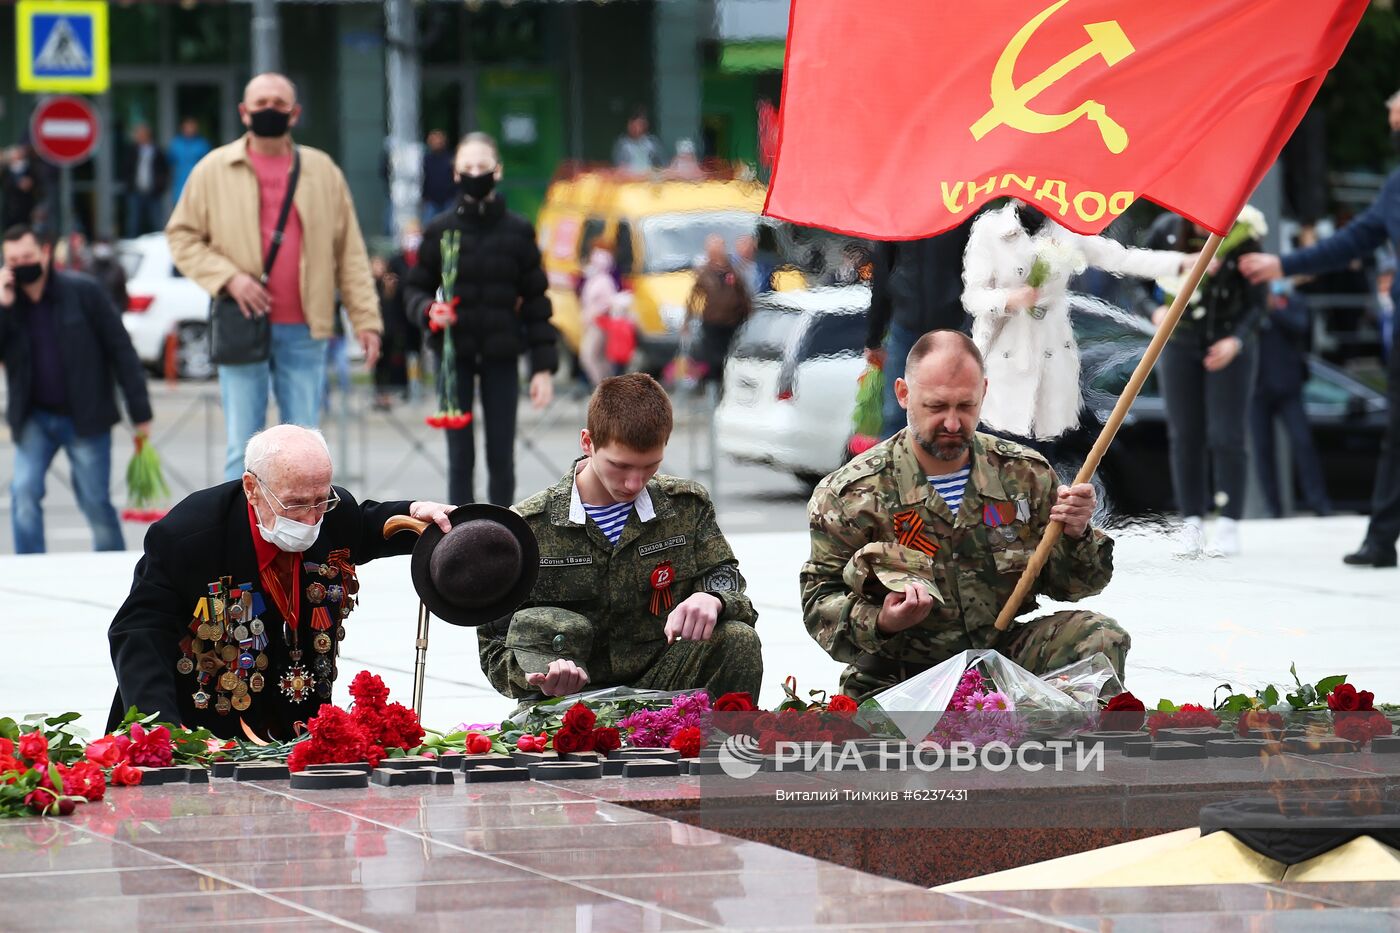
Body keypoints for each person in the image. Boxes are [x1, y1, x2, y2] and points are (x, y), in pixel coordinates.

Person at [801, 330, 1125, 700]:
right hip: (900, 679)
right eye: (937, 407)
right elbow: (819, 606)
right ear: (904, 394)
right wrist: (883, 620)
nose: (953, 423)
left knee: (1099, 635)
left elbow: (1075, 586)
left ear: (984, 392)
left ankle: (1065, 747)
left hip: (1001, 661)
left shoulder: (1023, 474)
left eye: (965, 406)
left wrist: (1075, 533)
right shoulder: (850, 494)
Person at [107, 425, 455, 738]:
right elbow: (139, 631)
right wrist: (164, 729)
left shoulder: (332, 513)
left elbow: (368, 525)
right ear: (252, 488)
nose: (310, 518)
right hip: (206, 733)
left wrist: (415, 512)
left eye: (321, 500)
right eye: (295, 505)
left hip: (294, 731)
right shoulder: (188, 536)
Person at [478, 373, 761, 702]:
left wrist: (714, 599)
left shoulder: (686, 507)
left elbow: (729, 582)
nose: (634, 483)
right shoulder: (526, 528)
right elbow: (495, 652)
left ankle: (722, 751)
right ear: (587, 443)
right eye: (620, 466)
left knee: (738, 639)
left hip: (663, 683)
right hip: (568, 703)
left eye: (650, 466)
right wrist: (537, 676)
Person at [166, 72, 382, 481]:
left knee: (306, 451)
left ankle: (304, 541)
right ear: (244, 112)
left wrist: (366, 320)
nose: (270, 110)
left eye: (279, 103)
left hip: (306, 327)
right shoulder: (214, 168)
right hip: (241, 324)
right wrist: (229, 278)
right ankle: (242, 542)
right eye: (261, 103)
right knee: (241, 450)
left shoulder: (322, 171)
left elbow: (349, 252)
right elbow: (180, 236)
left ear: (295, 113)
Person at [1240, 88, 1400, 568]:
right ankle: (1381, 540)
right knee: (1396, 437)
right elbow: (1352, 241)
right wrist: (1283, 265)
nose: (1390, 123)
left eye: (1394, 114)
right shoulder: (1395, 186)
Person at [404, 131, 557, 507]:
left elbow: (537, 301)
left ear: (497, 171)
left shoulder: (519, 231)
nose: (475, 173)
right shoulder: (440, 230)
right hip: (453, 356)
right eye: (467, 167)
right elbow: (414, 289)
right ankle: (458, 530)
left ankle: (502, 529)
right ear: (456, 174)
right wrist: (429, 311)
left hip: (502, 353)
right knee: (460, 457)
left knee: (501, 453)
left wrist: (542, 368)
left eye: (482, 166)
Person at [962, 201, 1192, 441]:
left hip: (1052, 354)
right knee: (1001, 442)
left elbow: (1120, 259)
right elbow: (973, 297)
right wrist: (1009, 298)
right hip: (1004, 354)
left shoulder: (1066, 229)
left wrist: (1181, 263)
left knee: (1051, 447)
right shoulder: (990, 228)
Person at [0, 224, 152, 554]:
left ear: (43, 252)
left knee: (95, 502)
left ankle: (113, 568)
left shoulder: (83, 292)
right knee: (23, 492)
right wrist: (4, 307)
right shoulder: (9, 303)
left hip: (86, 415)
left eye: (27, 256)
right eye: (12, 260)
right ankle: (30, 571)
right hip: (34, 417)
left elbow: (120, 348)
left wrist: (140, 410)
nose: (20, 264)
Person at [1145, 209, 1267, 557]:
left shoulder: (1244, 233)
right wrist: (1153, 311)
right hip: (1179, 340)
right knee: (1185, 434)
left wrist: (1237, 340)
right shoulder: (1166, 229)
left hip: (1228, 344)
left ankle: (1229, 521)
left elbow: (1258, 304)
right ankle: (1192, 520)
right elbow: (1137, 280)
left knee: (1227, 434)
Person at [865, 217, 979, 440]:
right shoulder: (898, 212)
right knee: (897, 413)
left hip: (953, 326)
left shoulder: (963, 204)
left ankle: (953, 472)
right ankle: (896, 474)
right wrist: (874, 337)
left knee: (955, 410)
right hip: (907, 325)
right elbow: (881, 273)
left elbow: (978, 271)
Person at [1251, 280, 1333, 519]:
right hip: (1257, 390)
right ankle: (1273, 509)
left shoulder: (1292, 301)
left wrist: (1274, 307)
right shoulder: (1251, 304)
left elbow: (1300, 325)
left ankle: (1319, 503)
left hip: (1288, 387)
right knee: (1262, 450)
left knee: (1303, 444)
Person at [687, 234, 751, 385]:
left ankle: (727, 385)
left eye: (718, 248)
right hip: (712, 322)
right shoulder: (704, 272)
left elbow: (743, 294)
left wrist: (749, 315)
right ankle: (713, 389)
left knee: (730, 356)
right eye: (711, 248)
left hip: (733, 322)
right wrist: (687, 321)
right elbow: (693, 298)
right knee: (711, 359)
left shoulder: (733, 270)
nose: (715, 252)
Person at [579, 245, 619, 387]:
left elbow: (609, 302)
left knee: (588, 356)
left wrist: (593, 313)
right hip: (593, 324)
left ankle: (601, 388)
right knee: (599, 357)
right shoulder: (595, 279)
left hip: (599, 324)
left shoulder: (604, 280)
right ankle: (609, 388)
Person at [121, 124, 170, 238]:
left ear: (148, 135)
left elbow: (164, 171)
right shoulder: (131, 151)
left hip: (153, 192)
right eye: (138, 134)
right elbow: (125, 169)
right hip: (135, 191)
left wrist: (160, 185)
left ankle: (159, 244)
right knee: (133, 222)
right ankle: (132, 243)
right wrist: (129, 184)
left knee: (156, 221)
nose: (140, 137)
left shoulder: (157, 151)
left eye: (142, 134)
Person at [167, 117, 212, 204]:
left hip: (198, 184)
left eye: (192, 127)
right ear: (183, 128)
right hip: (179, 185)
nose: (189, 129)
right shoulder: (176, 144)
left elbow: (208, 164)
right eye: (187, 127)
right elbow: (169, 163)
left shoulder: (203, 144)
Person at [2, 145, 43, 229]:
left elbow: (37, 184)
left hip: (27, 208)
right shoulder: (6, 171)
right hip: (11, 209)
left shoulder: (30, 168)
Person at [421, 129, 456, 222]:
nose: (437, 142)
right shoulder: (425, 160)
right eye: (433, 140)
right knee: (428, 226)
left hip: (450, 199)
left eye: (439, 140)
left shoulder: (451, 159)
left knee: (451, 224)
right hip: (431, 201)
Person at [87, 237, 129, 312]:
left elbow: (122, 293)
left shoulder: (117, 269)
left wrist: (120, 309)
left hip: (113, 309)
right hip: (94, 311)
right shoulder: (88, 267)